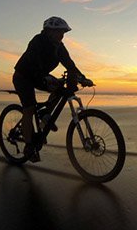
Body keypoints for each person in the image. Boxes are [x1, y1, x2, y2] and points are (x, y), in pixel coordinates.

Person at [12, 16, 93, 162]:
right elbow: (33, 62)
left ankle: (45, 112)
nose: (62, 35)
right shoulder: (38, 41)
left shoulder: (59, 47)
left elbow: (70, 64)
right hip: (23, 77)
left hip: (39, 76)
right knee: (29, 108)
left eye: (63, 32)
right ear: (49, 31)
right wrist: (46, 77)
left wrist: (82, 78)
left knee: (60, 88)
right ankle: (29, 146)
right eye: (59, 32)